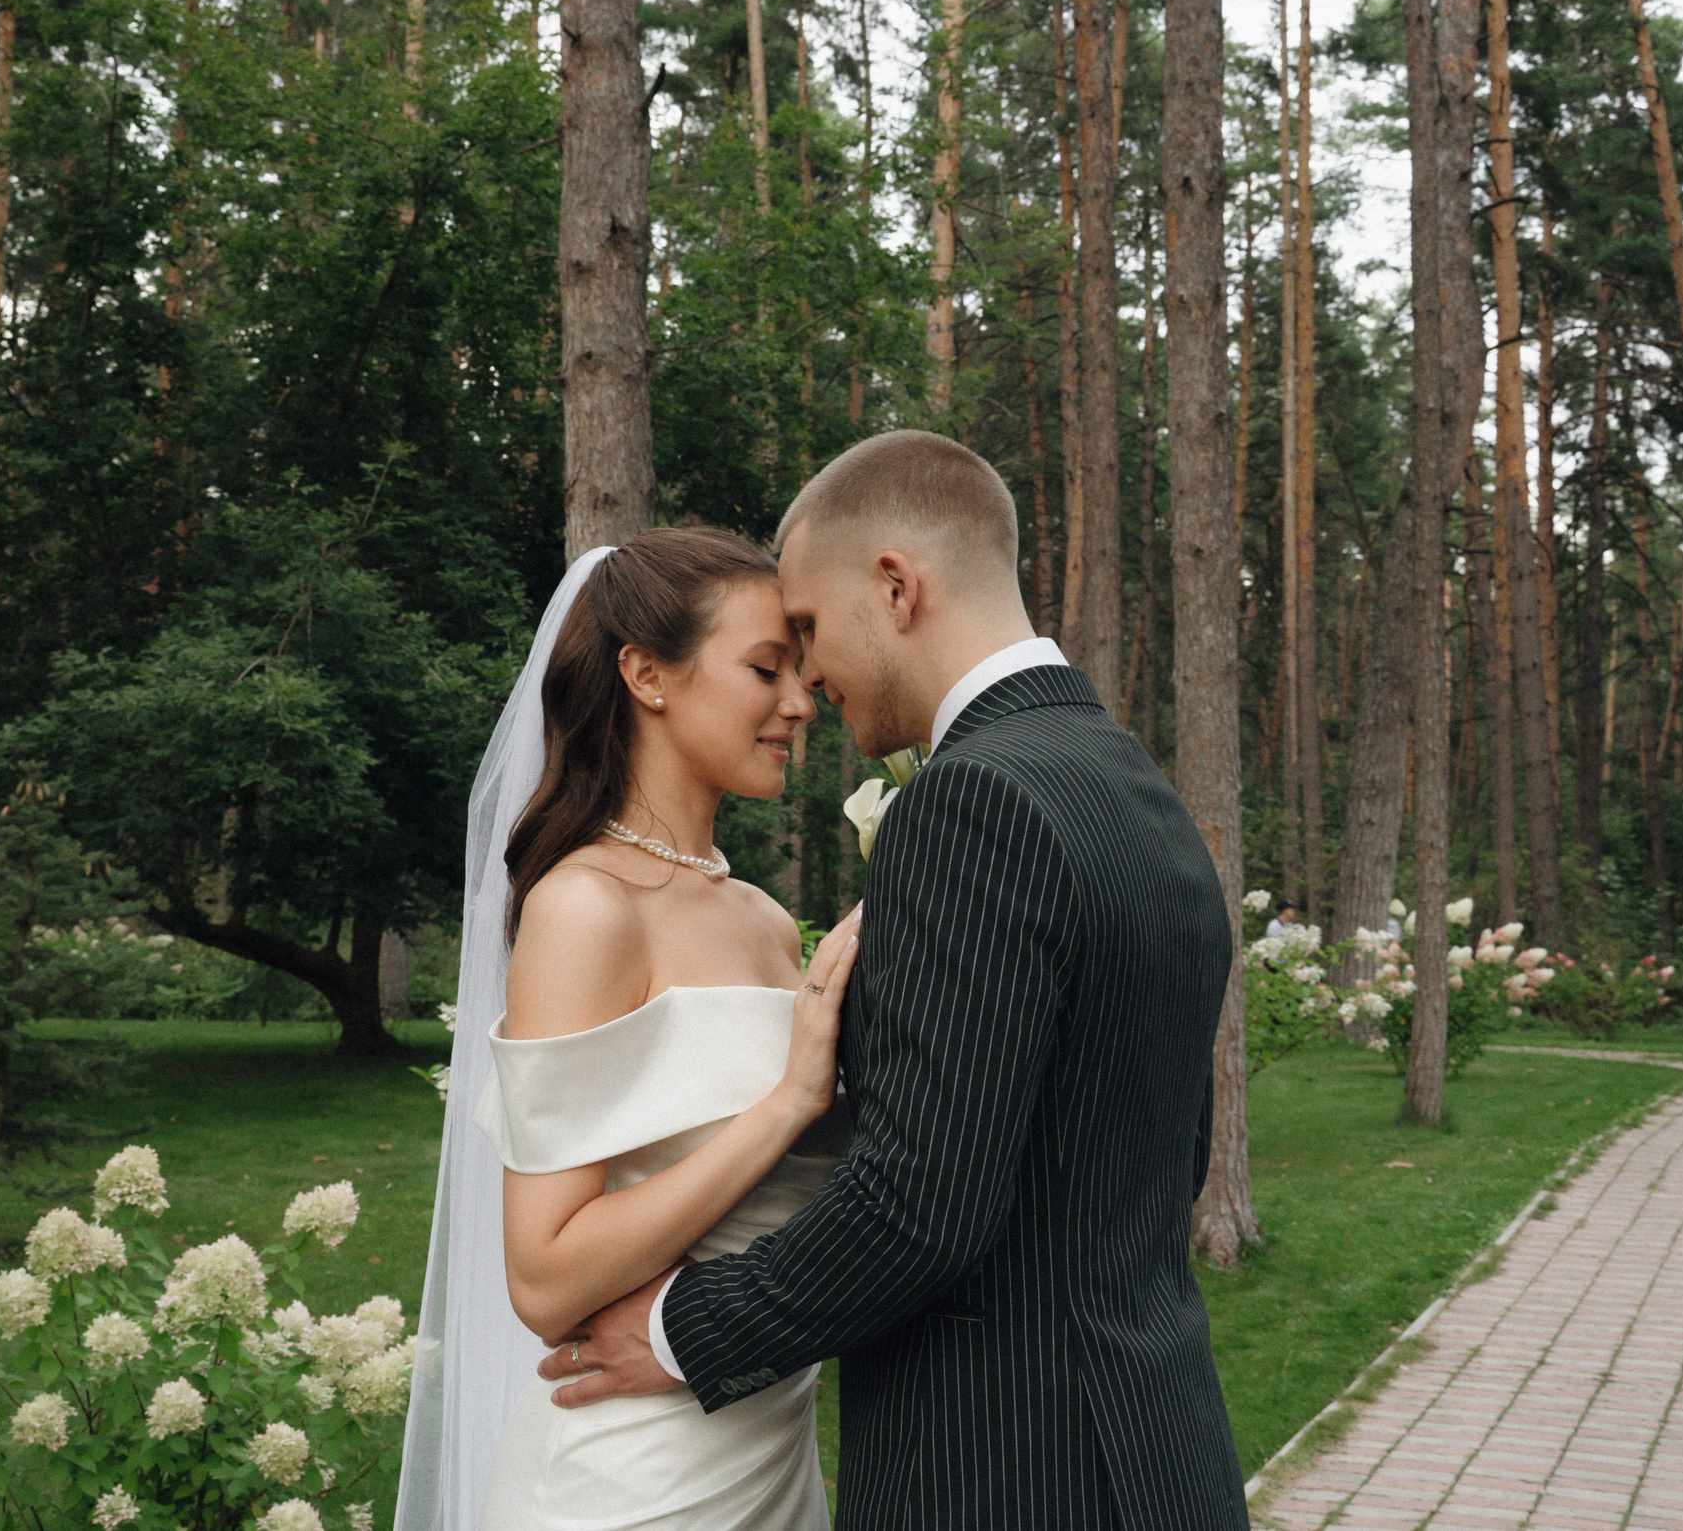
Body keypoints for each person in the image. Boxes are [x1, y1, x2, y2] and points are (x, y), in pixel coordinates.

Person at [525, 432, 1248, 1529]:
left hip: (1008, 1467)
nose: (808, 682)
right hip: (1152, 1446)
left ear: (897, 588)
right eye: (771, 658)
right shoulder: (1131, 788)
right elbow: (1162, 1152)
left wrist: (683, 1330)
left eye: (806, 633)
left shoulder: (970, 803)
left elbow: (921, 1205)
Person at [396, 527, 862, 1531]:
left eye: (801, 669)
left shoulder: (764, 919)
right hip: (627, 1487)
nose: (800, 702)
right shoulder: (586, 908)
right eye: (764, 667)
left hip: (771, 1465)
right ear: (647, 675)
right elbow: (545, 1274)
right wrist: (786, 1104)